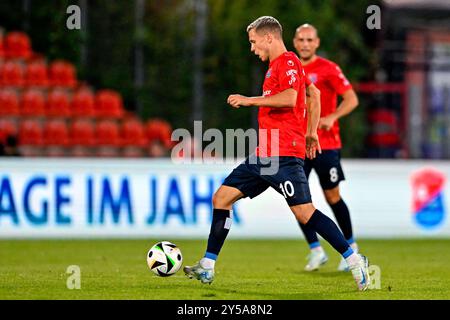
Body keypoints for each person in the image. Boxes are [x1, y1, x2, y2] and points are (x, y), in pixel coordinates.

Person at [184, 16, 370, 291]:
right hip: (265, 154)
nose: (252, 47)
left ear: (268, 37)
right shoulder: (278, 66)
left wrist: (250, 100)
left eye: (253, 41)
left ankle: (354, 259)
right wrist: (312, 132)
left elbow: (290, 98)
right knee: (222, 197)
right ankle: (208, 266)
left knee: (305, 213)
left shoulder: (288, 62)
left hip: (283, 154)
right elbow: (314, 95)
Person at [293, 24, 360, 272]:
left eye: (310, 39)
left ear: (317, 42)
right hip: (299, 143)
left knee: (332, 196)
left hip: (326, 144)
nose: (305, 44)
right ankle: (315, 250)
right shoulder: (291, 70)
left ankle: (351, 248)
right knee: (297, 199)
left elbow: (352, 98)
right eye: (301, 39)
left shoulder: (328, 68)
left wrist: (333, 117)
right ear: (295, 42)